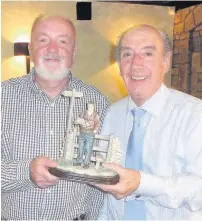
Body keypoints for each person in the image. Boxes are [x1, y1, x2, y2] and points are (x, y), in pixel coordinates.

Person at [1, 14, 108, 220]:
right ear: (31, 50)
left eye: (63, 41)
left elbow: (99, 175)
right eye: (43, 40)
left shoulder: (97, 102)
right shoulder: (2, 96)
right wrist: (26, 172)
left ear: (73, 52)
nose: (52, 49)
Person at [96, 24, 202, 220]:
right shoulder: (112, 114)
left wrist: (142, 183)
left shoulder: (195, 114)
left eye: (148, 53)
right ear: (119, 65)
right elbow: (108, 198)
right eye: (127, 54)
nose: (136, 63)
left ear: (166, 61)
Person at [74, 102, 100, 169]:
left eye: (91, 106)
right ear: (87, 106)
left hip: (90, 133)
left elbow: (97, 123)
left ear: (93, 107)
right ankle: (79, 161)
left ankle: (86, 163)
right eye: (89, 106)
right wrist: (79, 122)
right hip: (82, 132)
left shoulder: (95, 115)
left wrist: (95, 130)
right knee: (81, 147)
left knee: (88, 149)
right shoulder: (83, 113)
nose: (90, 107)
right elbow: (77, 120)